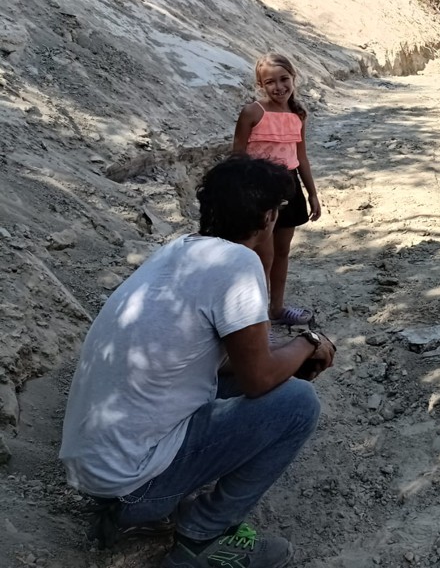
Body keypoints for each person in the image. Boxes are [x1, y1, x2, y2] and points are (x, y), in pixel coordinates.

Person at [60, 155, 337, 568]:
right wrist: (309, 343)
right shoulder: (237, 264)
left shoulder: (177, 251)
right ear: (267, 218)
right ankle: (202, 540)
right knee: (298, 404)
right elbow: (259, 379)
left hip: (95, 473)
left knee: (271, 378)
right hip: (132, 485)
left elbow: (227, 364)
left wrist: (289, 354)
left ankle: (137, 514)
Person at [233, 52, 322, 326]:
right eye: (270, 82)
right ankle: (256, 318)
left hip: (289, 185)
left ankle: (276, 309)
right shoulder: (252, 113)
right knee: (264, 255)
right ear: (261, 85)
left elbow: (301, 157)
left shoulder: (298, 115)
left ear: (293, 79)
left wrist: (312, 193)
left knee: (282, 252)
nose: (278, 87)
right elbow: (237, 157)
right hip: (259, 189)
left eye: (284, 79)